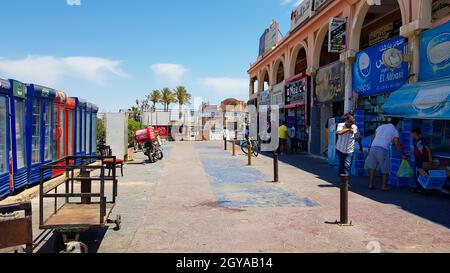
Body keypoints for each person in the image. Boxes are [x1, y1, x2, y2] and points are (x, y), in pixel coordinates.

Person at [366, 118, 407, 191]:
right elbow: (397, 143)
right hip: (383, 149)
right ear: (397, 124)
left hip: (373, 147)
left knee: (372, 168)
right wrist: (402, 154)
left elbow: (373, 137)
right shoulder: (394, 130)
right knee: (385, 169)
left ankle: (370, 184)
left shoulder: (380, 127)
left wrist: (371, 146)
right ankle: (383, 186)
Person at [336, 113, 363, 186]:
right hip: (340, 149)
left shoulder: (355, 127)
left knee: (347, 165)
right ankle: (342, 179)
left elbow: (358, 137)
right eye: (350, 123)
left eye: (352, 123)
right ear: (346, 120)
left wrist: (360, 146)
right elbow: (339, 132)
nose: (351, 125)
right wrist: (348, 129)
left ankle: (346, 182)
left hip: (349, 150)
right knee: (341, 165)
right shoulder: (340, 125)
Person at [411, 128, 433, 193]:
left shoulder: (422, 140)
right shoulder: (416, 140)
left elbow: (428, 149)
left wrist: (430, 158)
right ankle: (419, 188)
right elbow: (415, 150)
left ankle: (422, 188)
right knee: (418, 174)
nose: (411, 135)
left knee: (422, 174)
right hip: (418, 159)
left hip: (422, 160)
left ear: (415, 133)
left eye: (412, 133)